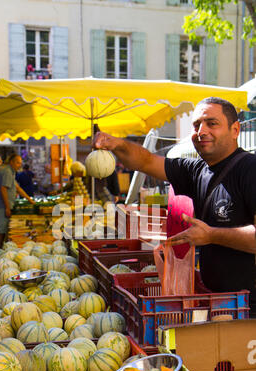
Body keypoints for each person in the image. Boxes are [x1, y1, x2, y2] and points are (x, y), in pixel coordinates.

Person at [93, 97, 256, 317]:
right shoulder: (196, 170)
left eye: (212, 123)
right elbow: (146, 161)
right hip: (216, 301)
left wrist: (212, 235)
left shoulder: (250, 169)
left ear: (235, 130)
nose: (201, 131)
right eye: (197, 125)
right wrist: (117, 144)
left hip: (249, 306)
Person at [0, 154, 36, 248]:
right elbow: (3, 189)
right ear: (11, 162)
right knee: (0, 231)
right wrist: (7, 207)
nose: (19, 165)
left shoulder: (7, 170)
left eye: (20, 163)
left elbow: (17, 187)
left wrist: (30, 200)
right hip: (1, 206)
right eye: (17, 162)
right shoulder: (7, 171)